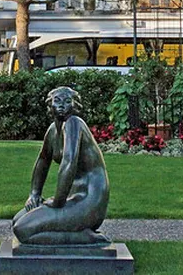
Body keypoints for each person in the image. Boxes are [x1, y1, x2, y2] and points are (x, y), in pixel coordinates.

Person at [12, 86, 110, 246]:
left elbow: (69, 162)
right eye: (57, 101)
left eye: (67, 101)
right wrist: (34, 194)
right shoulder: (53, 130)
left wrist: (58, 201)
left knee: (22, 230)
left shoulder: (74, 123)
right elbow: (43, 161)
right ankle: (74, 233)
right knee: (17, 220)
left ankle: (85, 237)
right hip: (72, 198)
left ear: (75, 105)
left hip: (89, 201)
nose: (61, 105)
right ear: (50, 105)